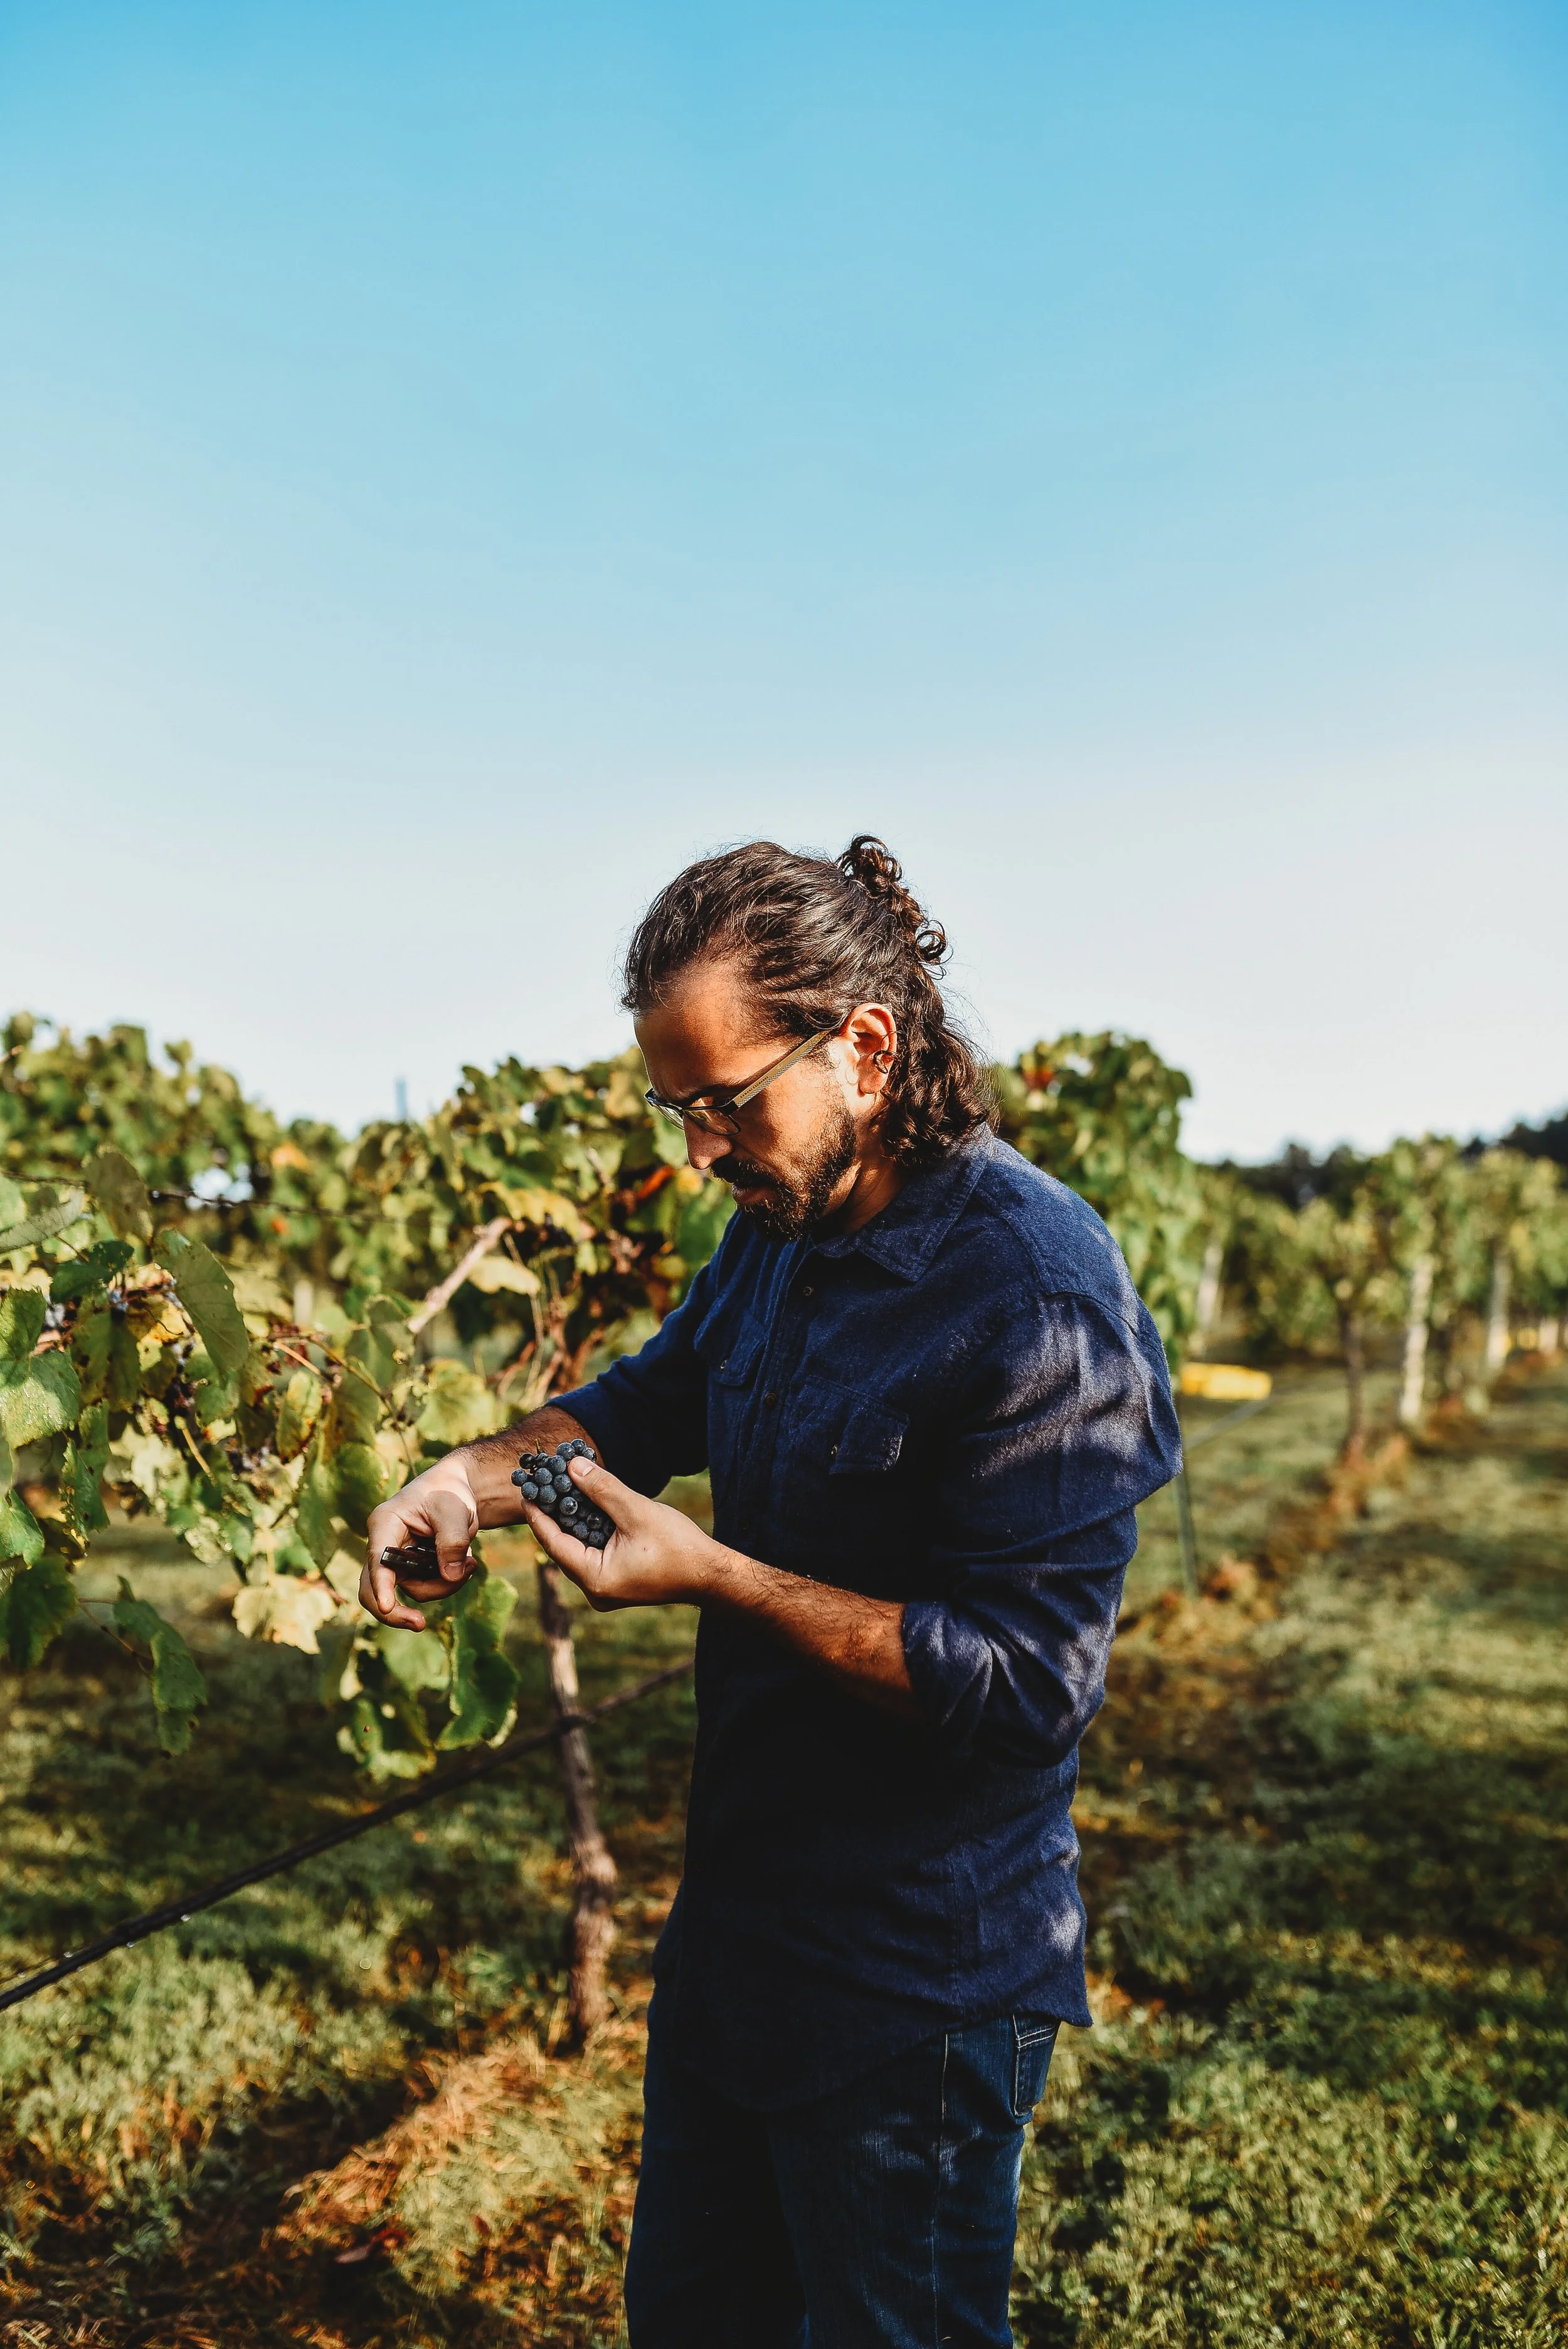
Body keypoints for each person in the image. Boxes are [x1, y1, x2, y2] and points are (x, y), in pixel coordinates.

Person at [361, 835, 1181, 2349]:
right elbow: (637, 1408)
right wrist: (462, 1480)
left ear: (864, 1048)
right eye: (679, 1110)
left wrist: (716, 1578)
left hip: (915, 1990)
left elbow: (1024, 1687)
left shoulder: (1036, 1295)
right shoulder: (774, 1237)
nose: (701, 1151)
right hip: (739, 1945)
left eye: (729, 1103)